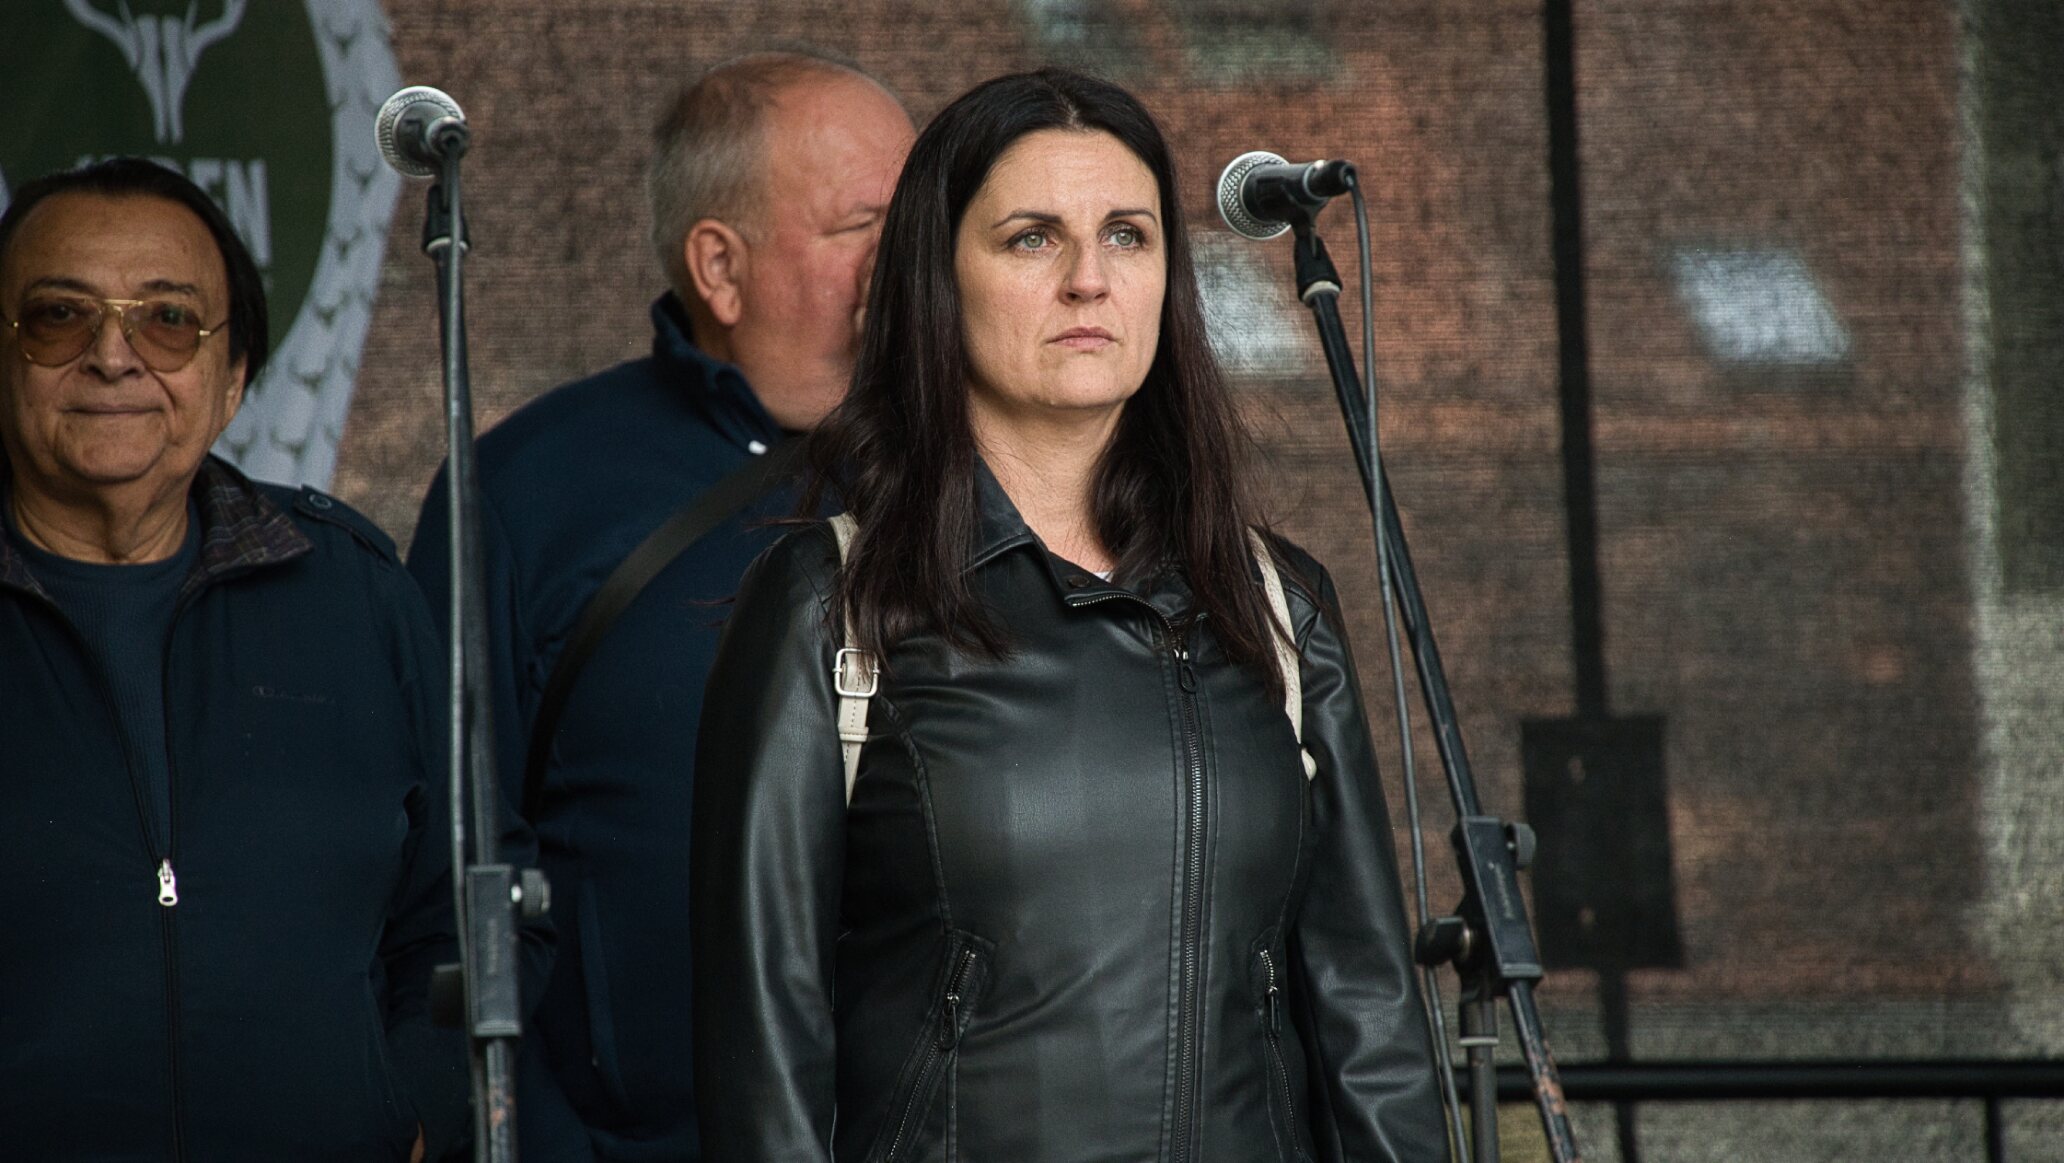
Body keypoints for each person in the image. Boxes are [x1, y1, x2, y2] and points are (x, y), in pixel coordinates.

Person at [690, 68, 1450, 1161]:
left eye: (1128, 235)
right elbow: (764, 1056)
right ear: (937, 280)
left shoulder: (1276, 600)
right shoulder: (830, 603)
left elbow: (1369, 1022)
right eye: (1033, 238)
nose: (1090, 279)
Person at [406, 49, 915, 1160]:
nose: (911, 256)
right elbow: (446, 873)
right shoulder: (526, 489)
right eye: (862, 225)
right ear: (720, 267)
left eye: (923, 215)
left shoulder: (984, 472)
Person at [0, 158, 463, 1161]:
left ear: (233, 379)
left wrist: (412, 1117)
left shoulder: (355, 596)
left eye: (168, 320)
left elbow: (465, 918)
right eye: (59, 316)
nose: (113, 357)